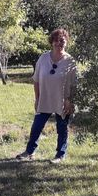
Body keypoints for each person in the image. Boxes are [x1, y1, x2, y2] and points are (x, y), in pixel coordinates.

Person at [15, 28, 78, 163]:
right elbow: (36, 80)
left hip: (63, 101)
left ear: (66, 42)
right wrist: (37, 99)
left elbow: (74, 84)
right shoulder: (43, 58)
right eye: (56, 40)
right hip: (45, 99)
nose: (59, 43)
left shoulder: (70, 61)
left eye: (62, 41)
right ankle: (29, 152)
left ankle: (60, 155)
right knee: (36, 126)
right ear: (51, 42)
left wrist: (69, 101)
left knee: (62, 128)